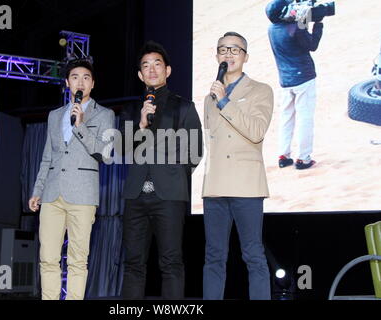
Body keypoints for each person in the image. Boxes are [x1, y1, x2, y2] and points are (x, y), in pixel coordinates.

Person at [119, 40, 203, 299]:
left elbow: (195, 151)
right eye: (146, 65)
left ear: (168, 70)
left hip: (169, 195)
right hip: (135, 195)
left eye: (157, 64)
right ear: (139, 75)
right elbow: (121, 149)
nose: (152, 69)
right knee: (133, 264)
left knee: (171, 263)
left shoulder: (184, 106)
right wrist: (141, 126)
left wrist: (171, 173)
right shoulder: (131, 110)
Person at [29, 59, 115, 300]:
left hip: (83, 196)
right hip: (52, 195)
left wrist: (81, 126)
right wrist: (37, 190)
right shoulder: (54, 115)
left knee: (78, 260)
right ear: (67, 83)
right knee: (47, 258)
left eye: (86, 77)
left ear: (93, 84)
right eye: (75, 77)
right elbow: (48, 157)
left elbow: (106, 154)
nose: (81, 81)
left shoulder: (105, 115)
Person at [202, 32, 273, 300]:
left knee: (253, 255)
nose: (228, 54)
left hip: (246, 185)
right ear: (217, 55)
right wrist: (218, 98)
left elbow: (256, 131)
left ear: (245, 56)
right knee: (213, 257)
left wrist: (225, 101)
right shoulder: (209, 97)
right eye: (223, 49)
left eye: (235, 49)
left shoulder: (261, 90)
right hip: (216, 186)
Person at [266, 0, 324, 169]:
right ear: (284, 12)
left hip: (285, 81)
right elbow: (312, 45)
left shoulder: (272, 29)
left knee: (286, 118)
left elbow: (297, 34)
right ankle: (303, 158)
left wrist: (301, 22)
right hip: (303, 79)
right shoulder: (295, 28)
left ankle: (284, 155)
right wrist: (318, 23)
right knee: (305, 118)